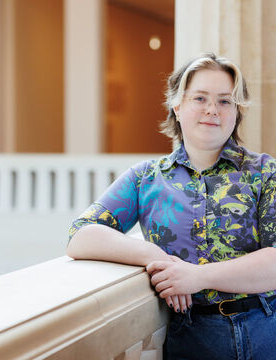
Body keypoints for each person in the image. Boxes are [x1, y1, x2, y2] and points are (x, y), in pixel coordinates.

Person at [67, 53, 276, 359]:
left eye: (224, 101)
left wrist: (197, 276)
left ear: (236, 111)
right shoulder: (146, 179)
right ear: (177, 106)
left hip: (266, 330)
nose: (212, 110)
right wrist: (153, 254)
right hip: (192, 338)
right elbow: (80, 235)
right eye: (200, 98)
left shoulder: (264, 172)